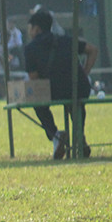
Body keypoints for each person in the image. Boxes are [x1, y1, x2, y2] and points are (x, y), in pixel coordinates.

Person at [24, 9, 99, 160]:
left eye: (30, 28)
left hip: (54, 90)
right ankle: (79, 135)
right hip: (79, 88)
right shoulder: (66, 40)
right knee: (76, 103)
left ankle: (55, 135)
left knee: (37, 102)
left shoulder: (30, 48)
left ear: (36, 29)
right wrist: (84, 72)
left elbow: (35, 79)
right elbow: (93, 50)